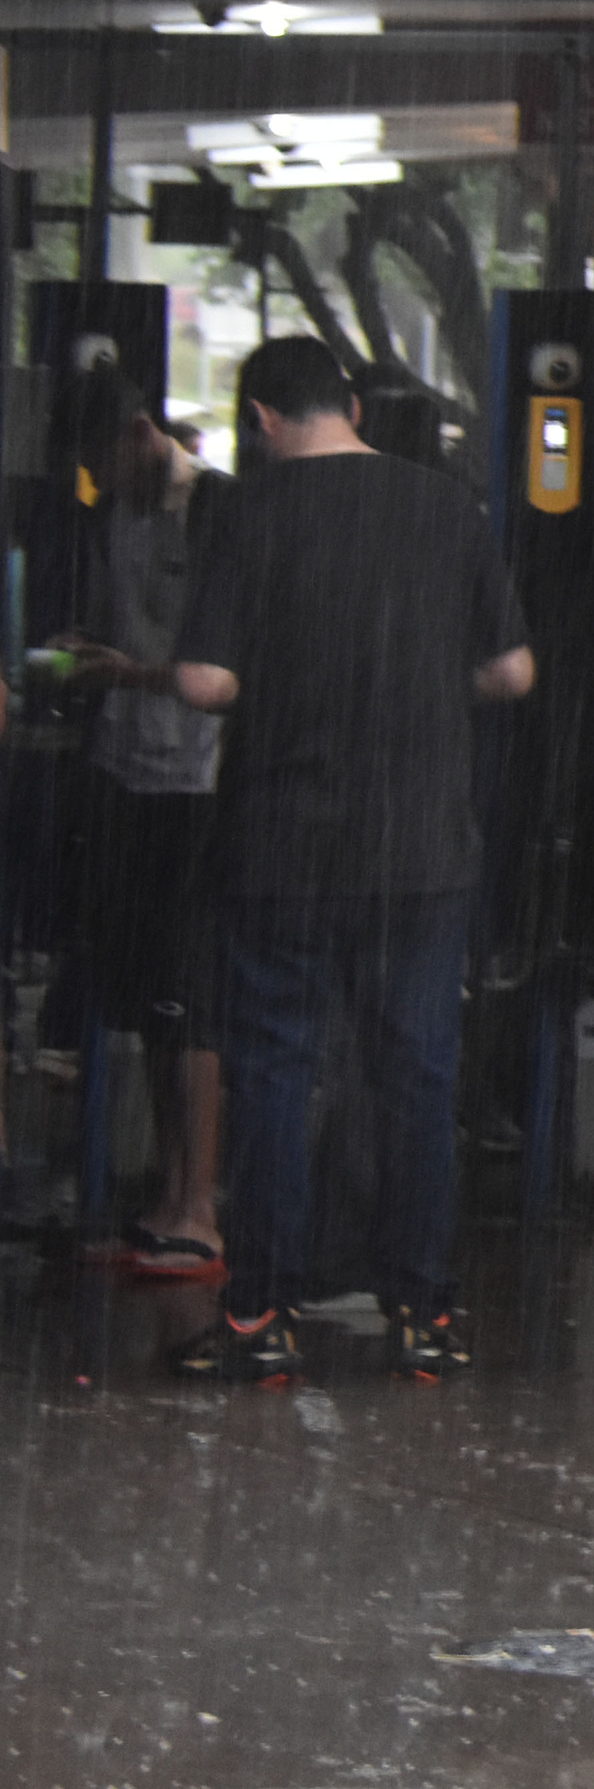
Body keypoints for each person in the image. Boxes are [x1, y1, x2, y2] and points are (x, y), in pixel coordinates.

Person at [164, 338, 532, 1385]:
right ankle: (426, 1314)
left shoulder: (251, 512)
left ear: (263, 419)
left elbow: (203, 682)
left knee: (277, 1073)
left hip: (285, 840)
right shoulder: (444, 506)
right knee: (417, 1075)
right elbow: (512, 669)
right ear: (356, 404)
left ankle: (259, 1319)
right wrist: (416, 686)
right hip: (420, 848)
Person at [57, 373, 233, 1277]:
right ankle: (169, 1195)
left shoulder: (215, 508)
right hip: (127, 770)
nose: (97, 478)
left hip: (197, 780)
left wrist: (125, 674)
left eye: (101, 459)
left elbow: (221, 662)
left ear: (138, 431)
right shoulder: (115, 512)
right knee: (153, 1002)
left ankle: (198, 1207)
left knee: (190, 997)